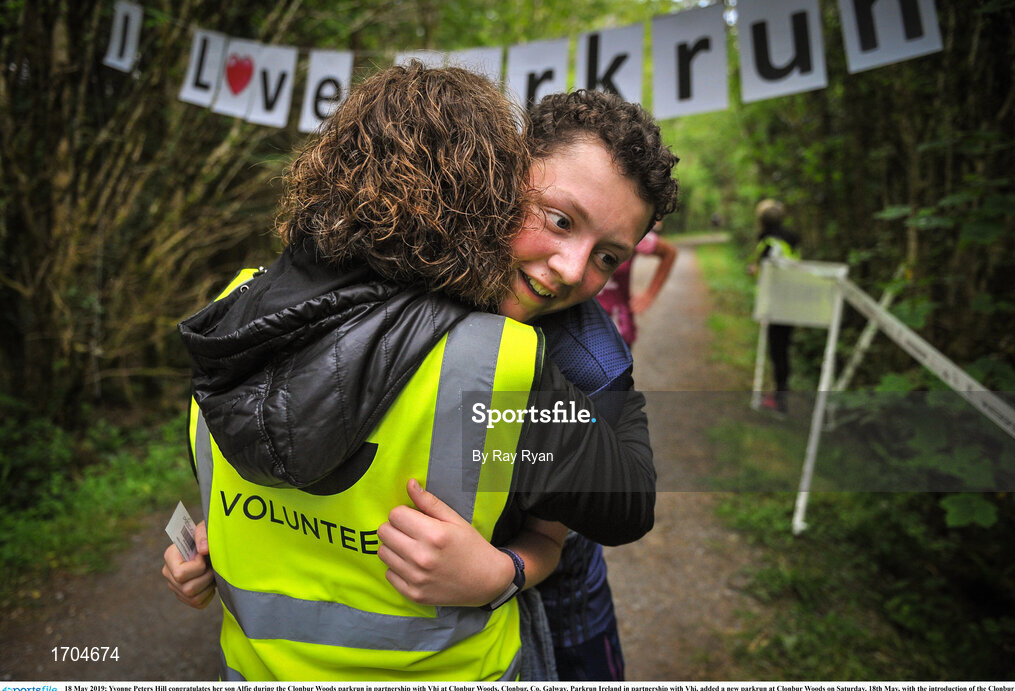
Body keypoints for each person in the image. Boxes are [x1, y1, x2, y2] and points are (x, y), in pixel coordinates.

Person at [166, 63, 676, 681]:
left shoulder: (586, 359)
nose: (572, 269)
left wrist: (506, 570)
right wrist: (221, 537)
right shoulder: (308, 308)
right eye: (559, 218)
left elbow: (617, 501)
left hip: (555, 589)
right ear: (495, 181)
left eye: (607, 257)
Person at [747, 198, 800, 414]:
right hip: (793, 302)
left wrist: (754, 270)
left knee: (777, 353)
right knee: (783, 351)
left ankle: (780, 401)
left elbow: (768, 272)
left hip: (776, 304)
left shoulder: (768, 242)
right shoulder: (793, 239)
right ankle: (780, 395)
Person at [596, 220, 677, 348]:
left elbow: (669, 253)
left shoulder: (628, 229)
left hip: (616, 330)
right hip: (570, 329)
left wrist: (649, 295)